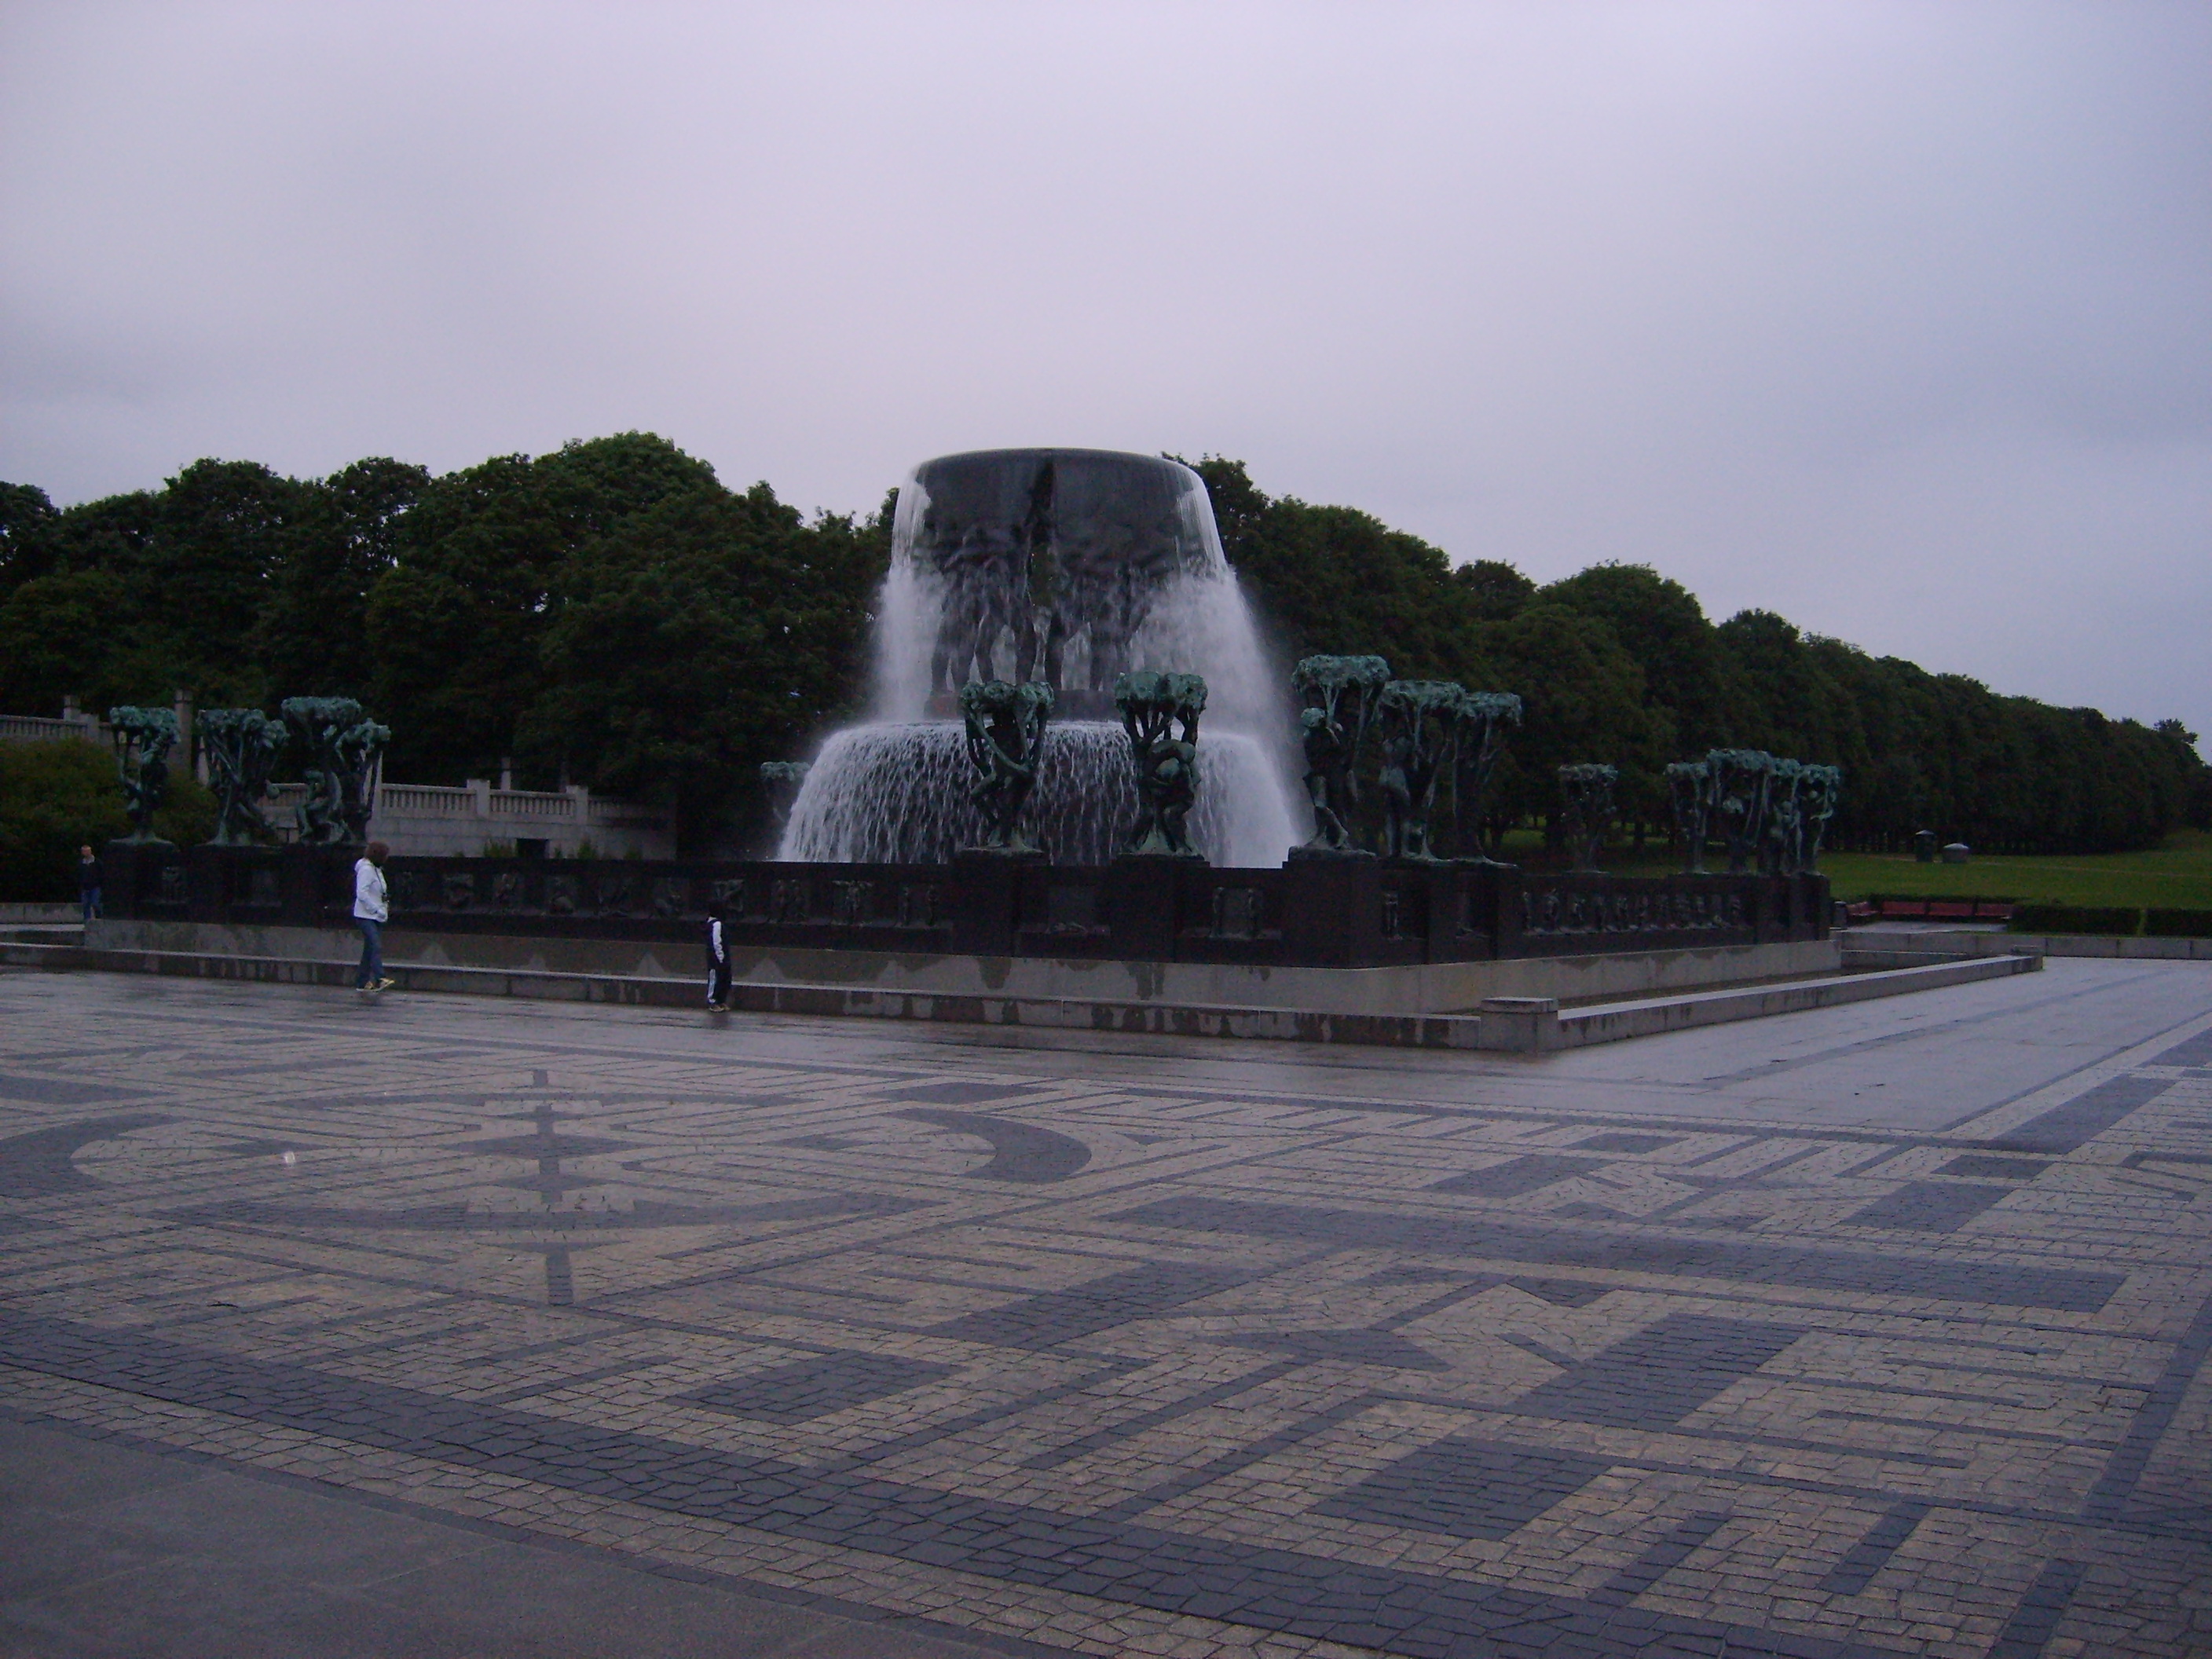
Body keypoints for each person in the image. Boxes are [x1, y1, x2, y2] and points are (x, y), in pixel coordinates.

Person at [353, 840, 394, 992]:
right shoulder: (366, 870)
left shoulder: (376, 869)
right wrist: (376, 909)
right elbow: (361, 893)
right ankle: (379, 977)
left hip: (376, 916)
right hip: (365, 916)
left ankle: (362, 982)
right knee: (375, 944)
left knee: (369, 949)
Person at [705, 897, 731, 1011]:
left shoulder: (715, 924)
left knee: (724, 979)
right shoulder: (716, 924)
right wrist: (720, 957)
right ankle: (713, 1001)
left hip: (722, 959)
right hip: (717, 959)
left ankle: (721, 1000)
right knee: (715, 978)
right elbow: (716, 942)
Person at [77, 845, 102, 923]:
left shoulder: (97, 862)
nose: (86, 853)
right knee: (85, 905)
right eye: (84, 851)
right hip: (85, 887)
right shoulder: (81, 863)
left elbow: (101, 873)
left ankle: (99, 918)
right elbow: (79, 874)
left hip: (95, 886)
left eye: (87, 851)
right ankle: (87, 921)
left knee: (96, 903)